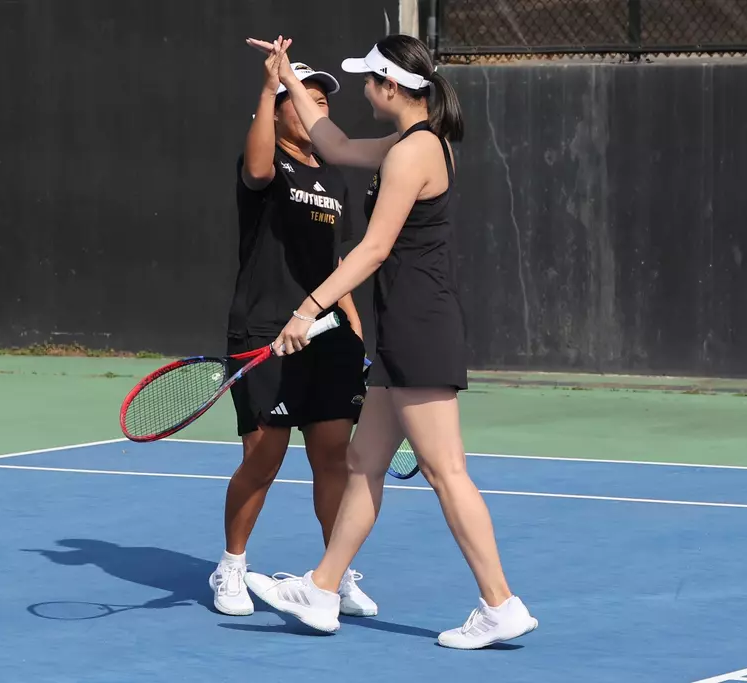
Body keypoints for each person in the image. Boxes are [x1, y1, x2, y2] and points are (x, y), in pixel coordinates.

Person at [240, 34, 539, 650]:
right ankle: (322, 590)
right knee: (363, 464)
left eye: (368, 82)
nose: (364, 91)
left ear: (391, 87)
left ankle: (500, 602)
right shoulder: (412, 142)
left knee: (445, 471)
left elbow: (373, 249)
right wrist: (284, 79)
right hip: (405, 326)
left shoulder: (415, 152)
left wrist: (306, 309)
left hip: (417, 327)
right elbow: (338, 144)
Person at [210, 37, 377, 620]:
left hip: (327, 337)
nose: (319, 106)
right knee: (266, 458)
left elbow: (336, 264)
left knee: (334, 458)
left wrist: (353, 326)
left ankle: (331, 577)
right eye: (304, 97)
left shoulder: (335, 180)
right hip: (264, 333)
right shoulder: (266, 162)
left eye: (324, 100)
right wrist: (266, 84)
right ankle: (231, 566)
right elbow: (255, 167)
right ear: (280, 110)